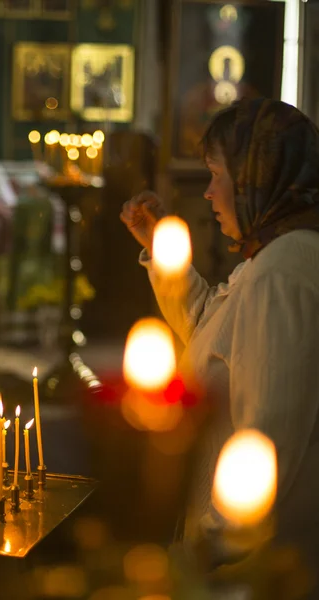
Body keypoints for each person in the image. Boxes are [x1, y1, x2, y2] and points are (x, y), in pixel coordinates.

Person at [121, 98, 319, 587]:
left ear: (256, 176)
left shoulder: (282, 271)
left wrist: (205, 547)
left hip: (248, 565)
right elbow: (217, 339)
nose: (208, 193)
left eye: (217, 174)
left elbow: (267, 439)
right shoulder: (273, 253)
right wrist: (159, 248)